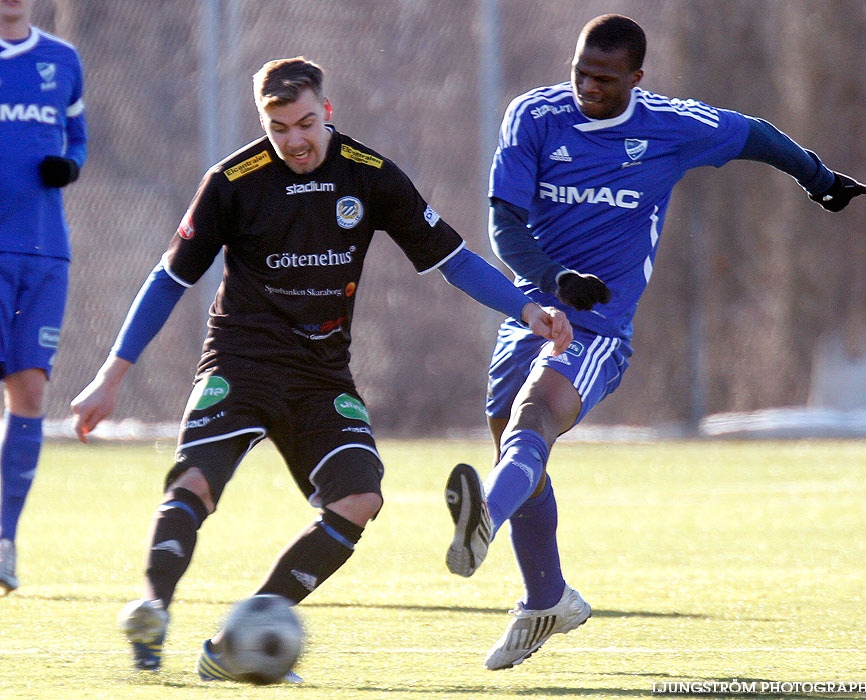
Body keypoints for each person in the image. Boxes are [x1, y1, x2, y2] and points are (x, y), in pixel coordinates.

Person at [70, 56, 571, 680]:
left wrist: (526, 308)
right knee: (195, 484)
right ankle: (153, 609)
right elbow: (170, 278)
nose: (295, 140)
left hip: (321, 377)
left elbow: (453, 258)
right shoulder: (232, 180)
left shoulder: (371, 175)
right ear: (264, 123)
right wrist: (110, 376)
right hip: (240, 362)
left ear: (326, 111)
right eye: (280, 129)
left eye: (306, 123)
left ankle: (239, 643)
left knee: (359, 499)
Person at [443, 14, 866, 671]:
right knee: (515, 448)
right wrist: (553, 278)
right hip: (534, 312)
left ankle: (482, 526)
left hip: (600, 329)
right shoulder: (534, 116)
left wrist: (815, 177)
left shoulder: (670, 127)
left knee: (533, 419)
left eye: (604, 79)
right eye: (579, 71)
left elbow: (752, 135)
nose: (587, 86)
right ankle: (546, 599)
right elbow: (503, 222)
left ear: (635, 80)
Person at [0, 0, 87, 595]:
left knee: (30, 389)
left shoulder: (63, 59)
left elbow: (78, 136)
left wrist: (69, 164)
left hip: (46, 251)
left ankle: (5, 541)